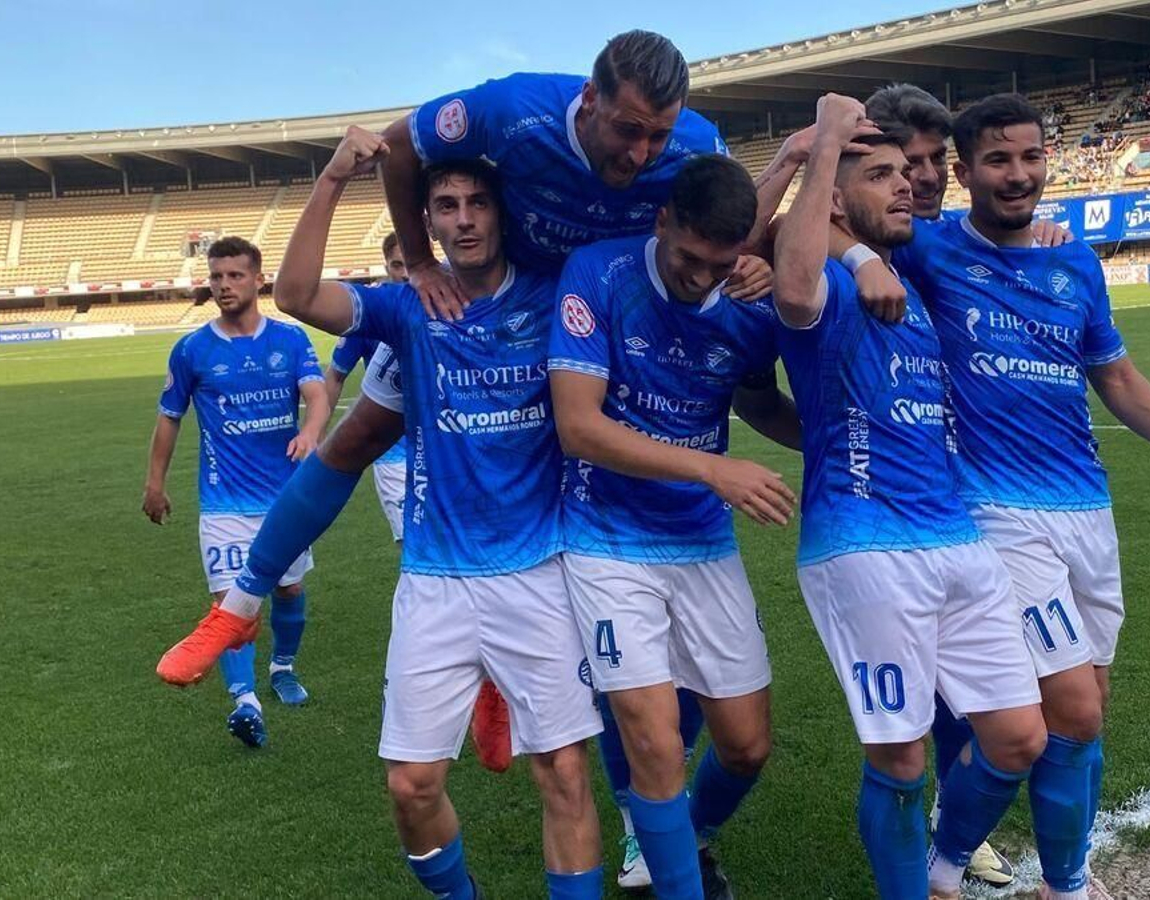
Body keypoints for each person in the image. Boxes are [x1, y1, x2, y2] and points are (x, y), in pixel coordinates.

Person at [155, 33, 766, 782]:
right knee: (349, 445)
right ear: (590, 101)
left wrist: (754, 254)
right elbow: (399, 148)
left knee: (575, 502)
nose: (642, 152)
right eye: (627, 130)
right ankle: (239, 603)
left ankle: (548, 722)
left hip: (571, 321)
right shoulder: (510, 111)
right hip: (456, 314)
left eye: (658, 136)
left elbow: (722, 212)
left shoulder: (698, 145)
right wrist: (417, 261)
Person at [846, 93, 1150, 900]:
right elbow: (814, 221)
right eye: (997, 159)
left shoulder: (1075, 262)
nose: (1017, 173)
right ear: (963, 173)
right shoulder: (927, 250)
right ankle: (998, 875)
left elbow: (1116, 376)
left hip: (1085, 510)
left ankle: (1016, 872)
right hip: (997, 514)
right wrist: (859, 260)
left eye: (1030, 157)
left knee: (1086, 706)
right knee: (1073, 706)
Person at [274, 129, 605, 900]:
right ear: (426, 220)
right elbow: (293, 296)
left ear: (501, 212)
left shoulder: (557, 290)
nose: (464, 219)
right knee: (412, 786)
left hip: (541, 572)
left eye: (478, 203)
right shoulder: (407, 308)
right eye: (446, 206)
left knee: (562, 771)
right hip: (436, 580)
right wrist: (331, 177)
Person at [772, 94, 1049, 900]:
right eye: (881, 175)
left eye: (908, 172)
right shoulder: (823, 278)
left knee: (1018, 736)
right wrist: (823, 142)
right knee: (899, 757)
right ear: (833, 197)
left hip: (956, 539)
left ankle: (943, 867)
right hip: (865, 546)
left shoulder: (909, 282)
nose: (906, 187)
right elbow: (789, 287)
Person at [551, 153, 800, 899]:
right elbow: (578, 428)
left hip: (701, 542)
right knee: (654, 743)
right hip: (606, 540)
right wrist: (714, 470)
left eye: (721, 264)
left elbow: (755, 400)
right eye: (690, 258)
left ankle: (682, 837)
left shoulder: (747, 303)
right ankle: (676, 879)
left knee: (748, 746)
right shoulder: (597, 275)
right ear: (663, 221)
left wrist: (832, 440)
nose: (702, 277)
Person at [144, 236, 330, 745]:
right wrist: (154, 483)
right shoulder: (192, 350)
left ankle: (282, 667)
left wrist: (311, 431)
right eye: (217, 277)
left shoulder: (290, 341)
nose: (224, 285)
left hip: (286, 500)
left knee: (290, 589)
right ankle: (245, 702)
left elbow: (316, 395)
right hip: (224, 503)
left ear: (257, 280)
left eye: (235, 276)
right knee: (231, 604)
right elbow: (169, 419)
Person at [323, 232, 410, 541]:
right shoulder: (371, 313)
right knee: (412, 543)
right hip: (392, 450)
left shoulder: (444, 299)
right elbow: (335, 377)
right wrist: (316, 435)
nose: (405, 273)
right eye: (397, 265)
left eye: (409, 263)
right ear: (386, 266)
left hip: (441, 442)